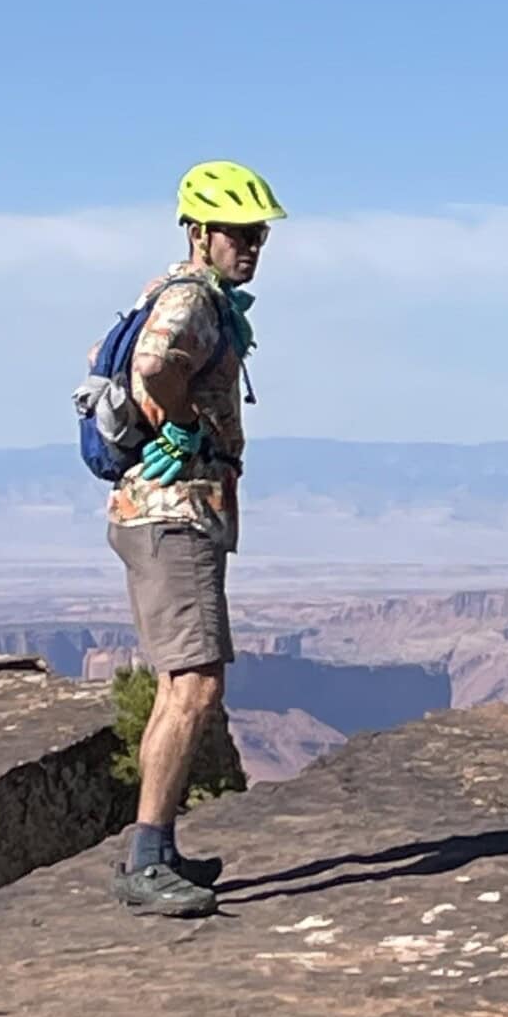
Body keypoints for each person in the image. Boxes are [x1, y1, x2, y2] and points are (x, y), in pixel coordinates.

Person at [106, 160, 286, 917]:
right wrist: (180, 423)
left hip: (168, 512)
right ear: (197, 232)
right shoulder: (192, 300)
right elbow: (153, 365)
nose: (249, 246)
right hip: (173, 512)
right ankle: (148, 861)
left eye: (257, 234)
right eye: (236, 233)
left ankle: (159, 847)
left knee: (181, 684)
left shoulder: (184, 296)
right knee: (198, 684)